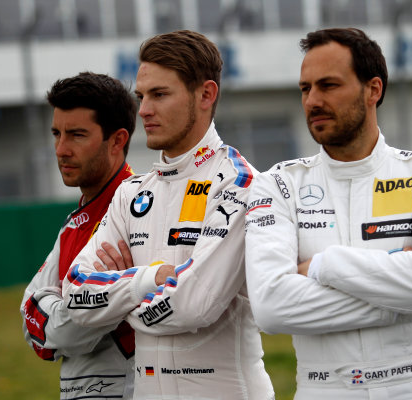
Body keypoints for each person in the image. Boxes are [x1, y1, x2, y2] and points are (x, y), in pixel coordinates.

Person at [245, 28, 412, 399]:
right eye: (305, 88)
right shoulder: (277, 185)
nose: (313, 101)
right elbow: (271, 309)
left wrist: (321, 267)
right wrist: (403, 298)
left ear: (373, 90)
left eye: (328, 85)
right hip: (324, 388)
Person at [62, 30, 274, 399]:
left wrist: (118, 298)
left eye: (159, 95)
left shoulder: (238, 183)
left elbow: (193, 305)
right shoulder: (132, 193)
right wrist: (151, 279)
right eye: (141, 96)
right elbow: (75, 296)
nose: (143, 109)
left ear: (206, 95)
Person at [20, 72, 137, 399]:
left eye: (77, 135)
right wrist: (59, 312)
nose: (61, 149)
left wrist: (52, 312)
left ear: (117, 140)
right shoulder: (77, 219)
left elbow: (75, 333)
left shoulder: (136, 212)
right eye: (57, 133)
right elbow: (29, 307)